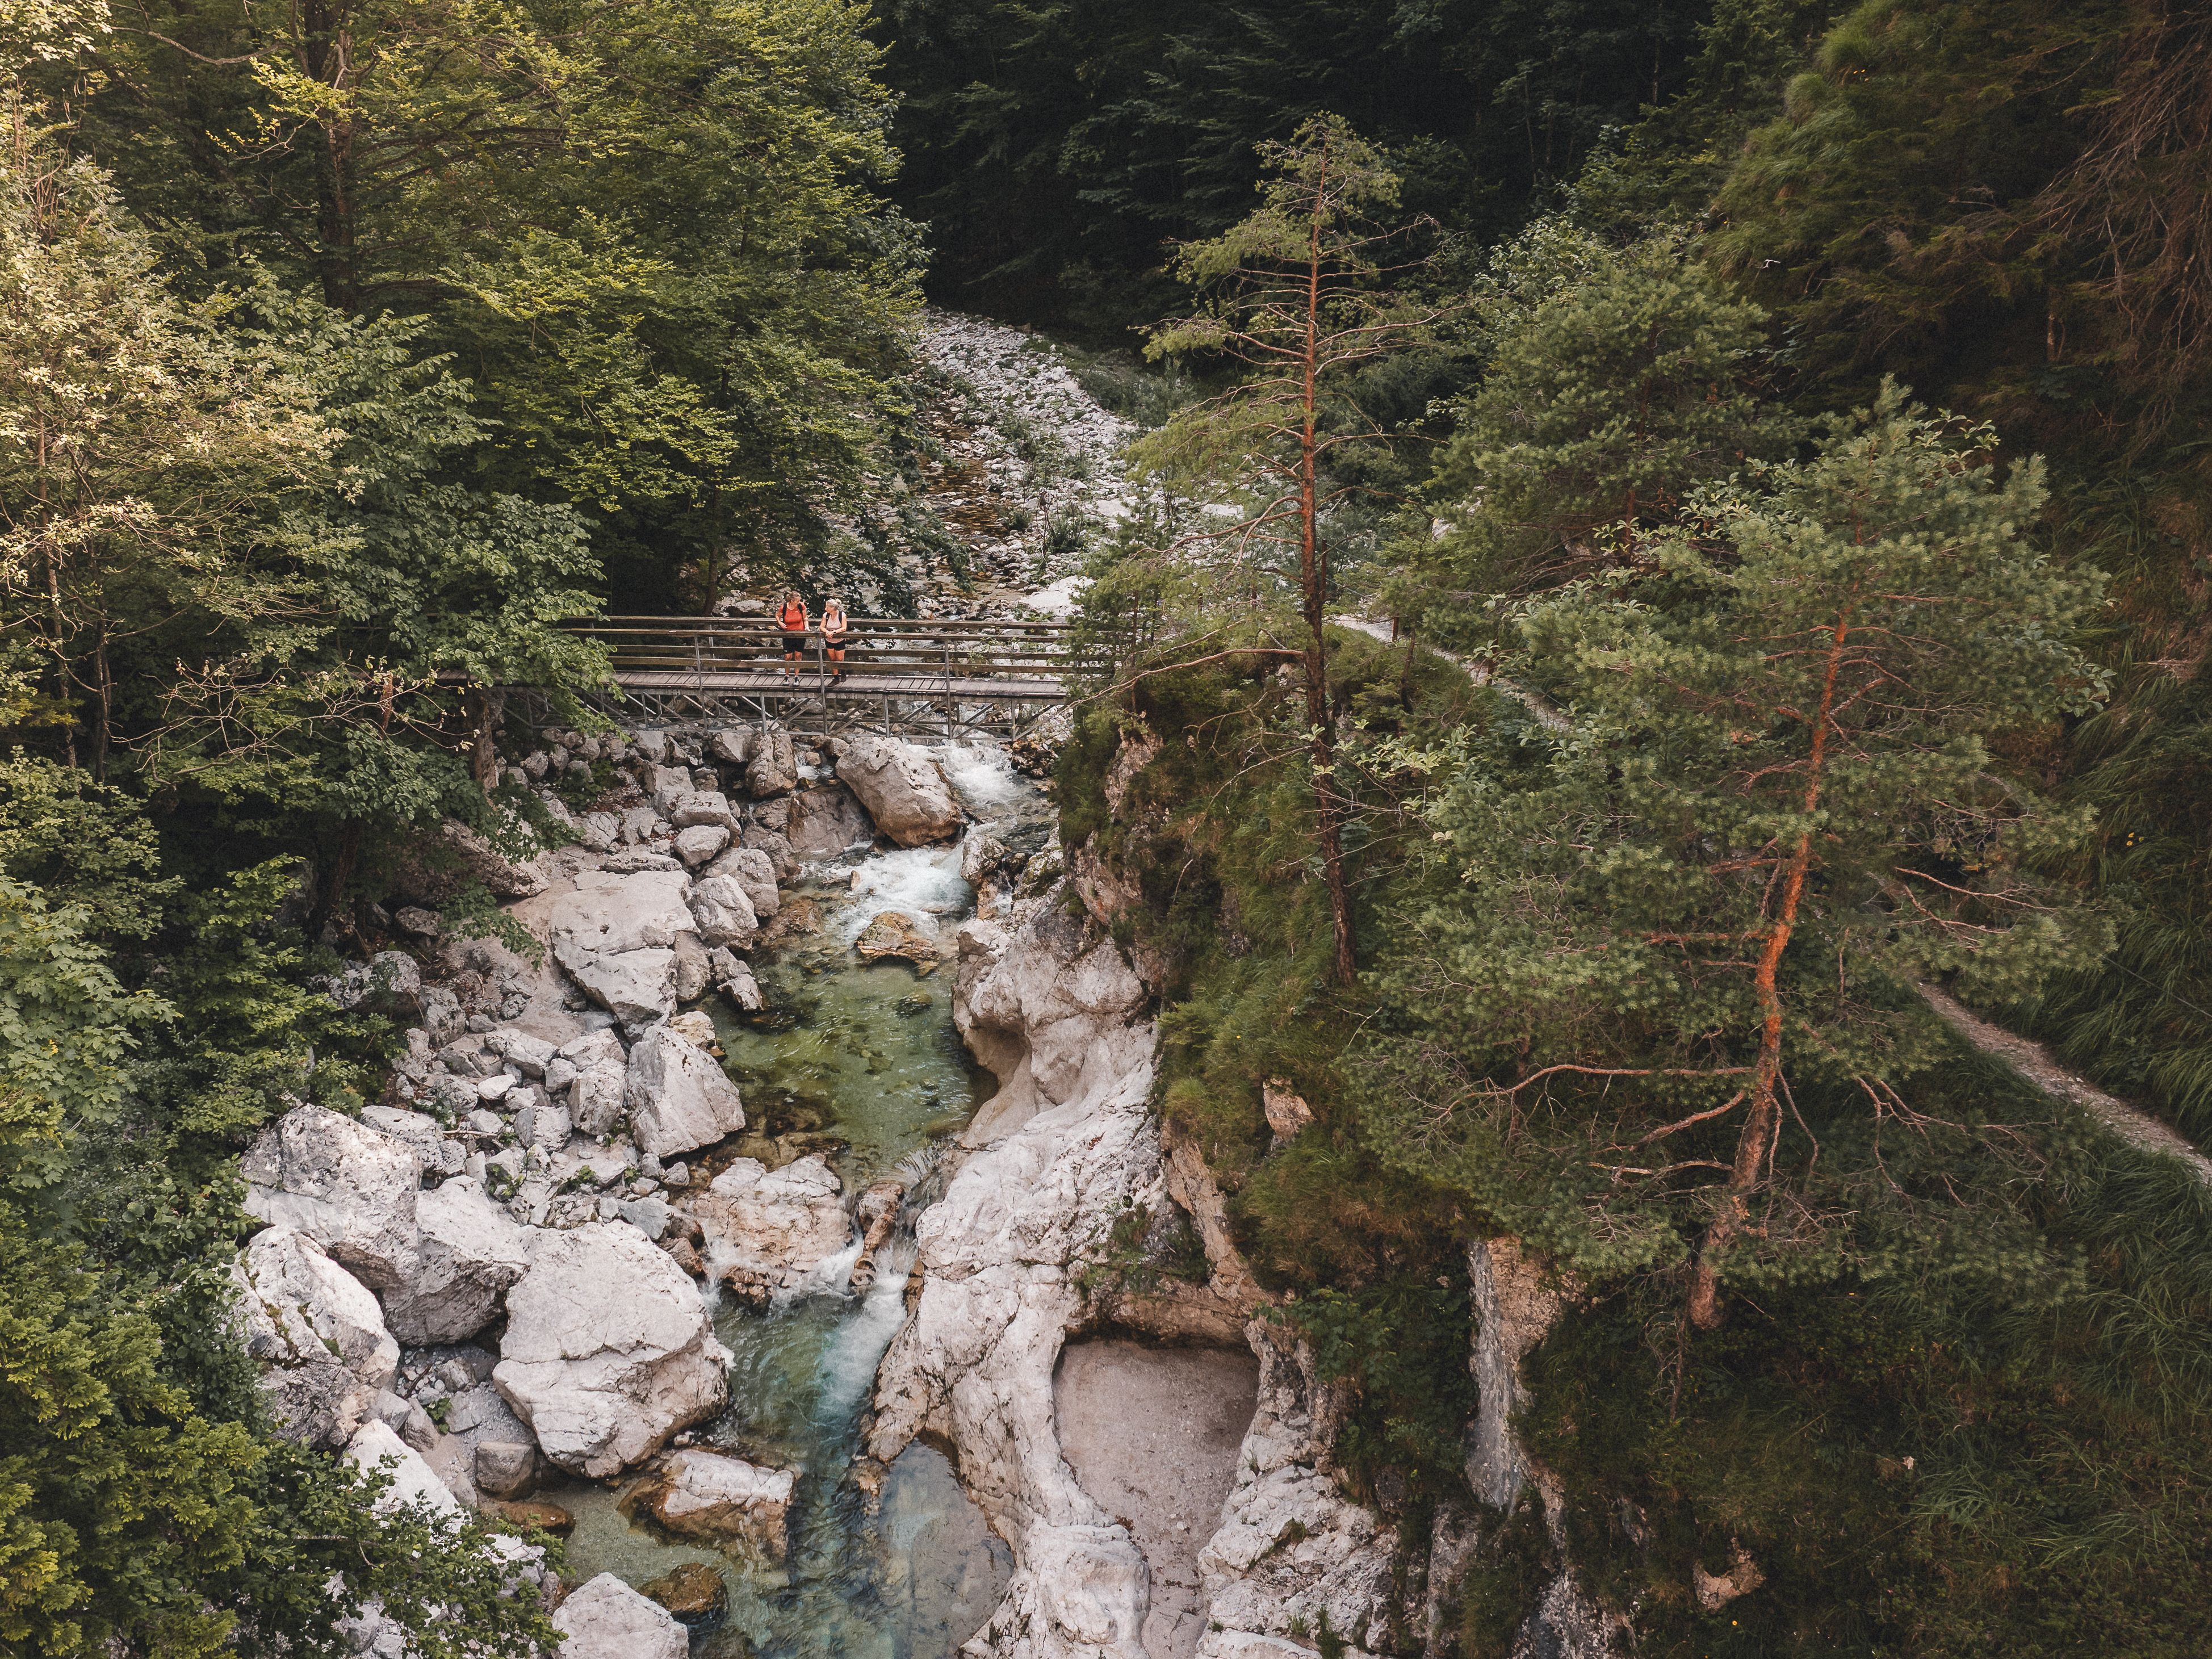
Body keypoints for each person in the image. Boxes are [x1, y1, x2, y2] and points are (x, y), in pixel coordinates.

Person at [778, 590, 809, 679]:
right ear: (792, 601)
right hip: (788, 634)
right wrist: (780, 622)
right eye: (797, 601)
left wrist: (807, 627)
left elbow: (805, 618)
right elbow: (777, 615)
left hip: (800, 633)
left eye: (800, 600)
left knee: (798, 655)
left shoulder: (801, 606)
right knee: (788, 656)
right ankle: (787, 676)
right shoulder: (784, 607)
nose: (799, 602)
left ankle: (796, 676)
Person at [820, 598, 850, 684]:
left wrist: (833, 632)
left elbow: (844, 628)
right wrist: (827, 632)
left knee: (840, 659)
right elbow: (821, 627)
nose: (825, 609)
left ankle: (843, 672)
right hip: (829, 640)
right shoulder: (826, 615)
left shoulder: (842, 615)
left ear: (833, 608)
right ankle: (836, 678)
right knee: (832, 659)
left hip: (839, 640)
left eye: (827, 607)